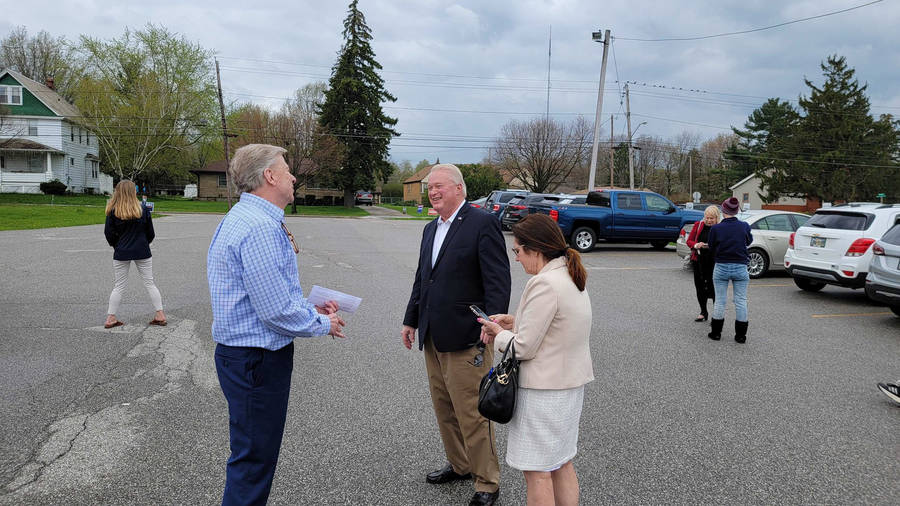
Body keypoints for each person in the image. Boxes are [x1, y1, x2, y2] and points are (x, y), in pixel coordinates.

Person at [207, 144, 346, 506]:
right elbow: (275, 311)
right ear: (269, 176)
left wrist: (309, 305)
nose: (293, 176)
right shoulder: (259, 228)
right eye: (286, 170)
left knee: (252, 456)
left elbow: (270, 295)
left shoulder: (244, 217)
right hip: (256, 361)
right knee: (253, 462)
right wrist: (323, 322)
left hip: (244, 358)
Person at [401, 164, 511, 506]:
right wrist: (411, 319)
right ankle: (461, 465)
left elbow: (497, 281)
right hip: (434, 335)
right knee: (444, 407)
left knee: (473, 412)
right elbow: (423, 279)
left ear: (459, 189)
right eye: (429, 187)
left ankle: (487, 483)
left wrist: (491, 328)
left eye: (439, 187)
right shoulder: (431, 228)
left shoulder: (482, 224)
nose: (432, 192)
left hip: (468, 337)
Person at [478, 213, 593, 506]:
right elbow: (558, 325)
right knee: (561, 462)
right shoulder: (570, 275)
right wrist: (515, 322)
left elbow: (525, 348)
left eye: (517, 250)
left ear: (536, 250)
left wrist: (497, 333)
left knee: (538, 472)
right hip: (567, 387)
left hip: (543, 393)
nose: (516, 258)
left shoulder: (544, 283)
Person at [103, 180, 166, 328]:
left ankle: (111, 317)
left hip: (121, 251)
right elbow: (150, 233)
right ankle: (160, 314)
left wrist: (116, 245)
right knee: (149, 283)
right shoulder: (143, 209)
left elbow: (108, 233)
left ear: (117, 192)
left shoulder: (113, 211)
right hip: (142, 250)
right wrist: (144, 243)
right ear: (133, 192)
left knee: (119, 286)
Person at [707, 197, 752, 343]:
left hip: (721, 266)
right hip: (740, 266)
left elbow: (711, 246)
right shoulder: (744, 226)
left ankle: (716, 333)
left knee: (720, 300)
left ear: (723, 210)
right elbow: (749, 241)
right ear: (737, 210)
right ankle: (740, 335)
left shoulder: (716, 228)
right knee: (740, 300)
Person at [686, 206, 721, 322]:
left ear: (717, 218)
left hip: (714, 261)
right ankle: (703, 312)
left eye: (712, 218)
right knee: (700, 287)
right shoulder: (698, 225)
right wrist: (696, 245)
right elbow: (689, 241)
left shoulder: (720, 228)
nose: (709, 220)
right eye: (707, 218)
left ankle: (716, 316)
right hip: (699, 261)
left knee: (714, 288)